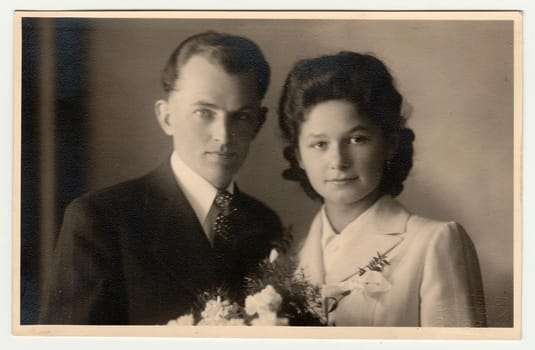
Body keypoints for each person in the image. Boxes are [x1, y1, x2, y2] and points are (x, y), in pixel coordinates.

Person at [39, 31, 283, 325]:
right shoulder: (101, 222)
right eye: (204, 112)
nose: (223, 135)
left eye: (241, 116)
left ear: (259, 122)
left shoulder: (264, 224)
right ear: (167, 117)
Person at [278, 51, 487, 327]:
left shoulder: (433, 243)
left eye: (357, 139)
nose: (338, 162)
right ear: (299, 156)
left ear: (389, 144)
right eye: (320, 144)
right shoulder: (290, 259)